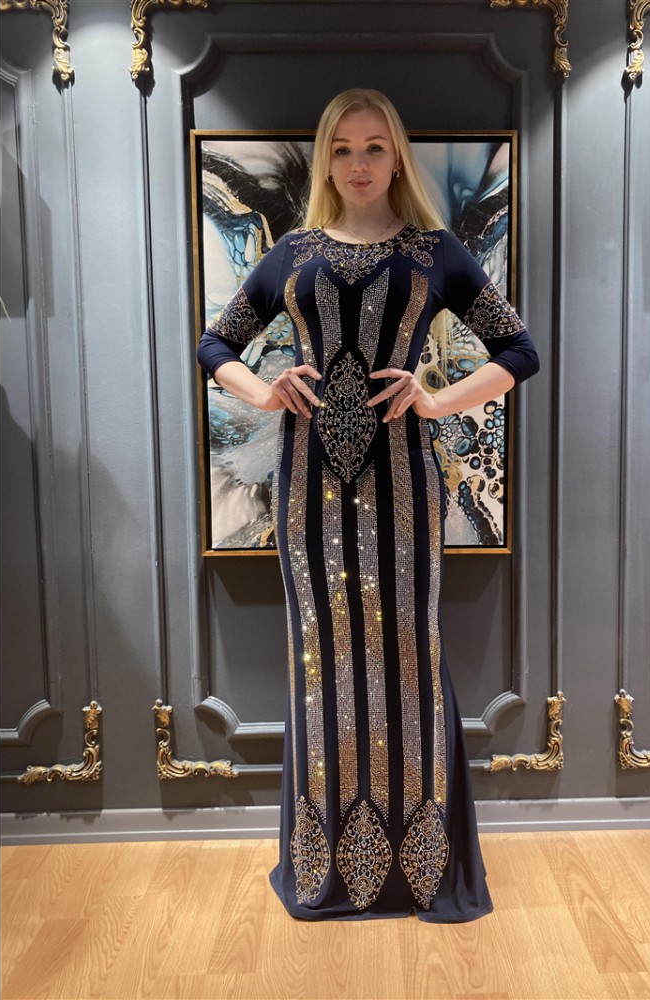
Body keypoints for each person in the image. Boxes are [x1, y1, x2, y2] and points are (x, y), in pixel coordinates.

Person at [198, 88, 539, 922]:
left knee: (409, 655)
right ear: (326, 161)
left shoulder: (434, 253)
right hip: (307, 497)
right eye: (343, 148)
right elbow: (214, 344)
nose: (358, 163)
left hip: (405, 490)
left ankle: (420, 872)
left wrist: (436, 399)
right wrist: (265, 392)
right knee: (323, 661)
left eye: (374, 147)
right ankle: (326, 868)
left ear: (395, 159)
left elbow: (519, 350)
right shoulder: (292, 255)